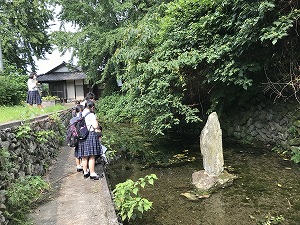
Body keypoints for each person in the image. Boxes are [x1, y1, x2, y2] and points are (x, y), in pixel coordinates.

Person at [77, 100, 103, 180]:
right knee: (92, 155)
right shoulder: (91, 114)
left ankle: (85, 172)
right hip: (90, 135)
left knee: (84, 156)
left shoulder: (81, 113)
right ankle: (92, 173)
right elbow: (95, 126)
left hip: (82, 135)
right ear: (92, 107)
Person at [73, 104, 84, 172]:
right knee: (82, 151)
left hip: (75, 138)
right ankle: (82, 164)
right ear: (80, 110)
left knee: (77, 151)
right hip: (81, 137)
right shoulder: (81, 118)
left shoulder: (73, 119)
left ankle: (78, 166)